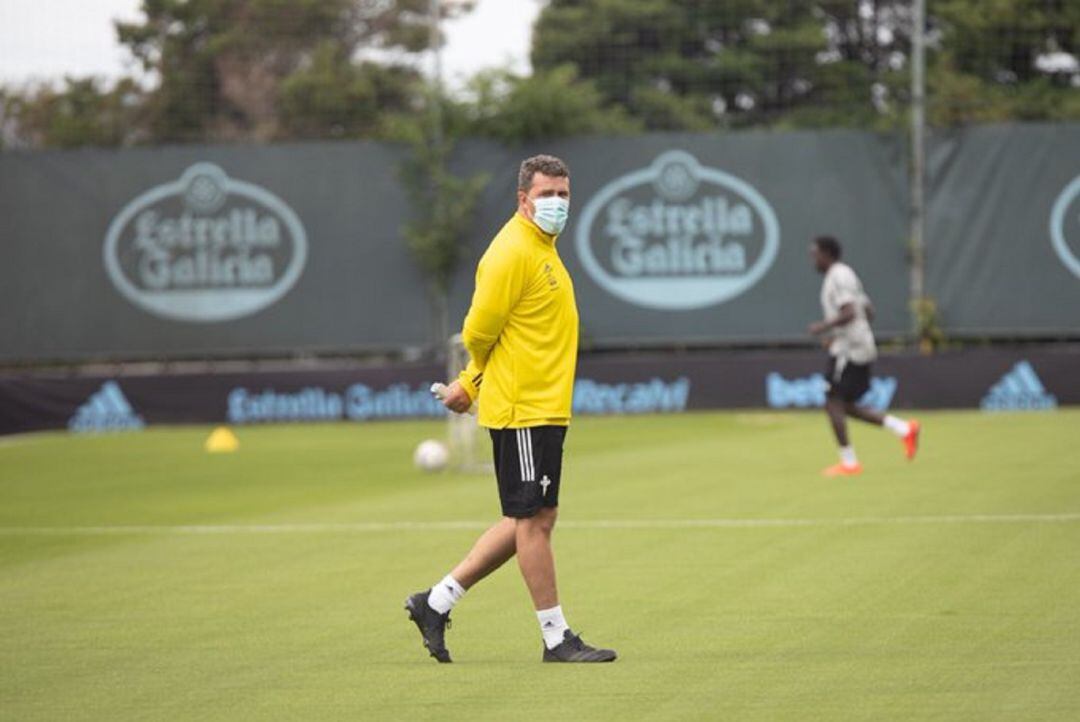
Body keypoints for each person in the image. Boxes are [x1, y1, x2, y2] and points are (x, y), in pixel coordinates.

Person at [404, 155, 616, 664]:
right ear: (523, 199)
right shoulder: (511, 252)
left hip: (543, 408)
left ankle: (435, 602)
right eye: (547, 195)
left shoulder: (542, 247)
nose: (557, 203)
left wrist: (469, 384)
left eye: (564, 194)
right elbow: (480, 332)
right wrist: (470, 383)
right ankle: (555, 637)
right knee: (535, 521)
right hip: (524, 409)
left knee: (529, 517)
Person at [808, 235, 920, 476]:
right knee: (843, 405)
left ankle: (849, 463)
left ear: (827, 254)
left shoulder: (837, 276)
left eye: (815, 254)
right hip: (857, 344)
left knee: (832, 401)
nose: (813, 259)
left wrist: (824, 327)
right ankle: (903, 429)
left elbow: (849, 312)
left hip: (850, 350)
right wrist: (849, 331)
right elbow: (868, 310)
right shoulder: (847, 274)